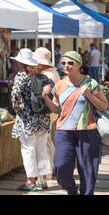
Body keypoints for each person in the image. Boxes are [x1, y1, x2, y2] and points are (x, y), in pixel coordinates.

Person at [42, 51, 108, 195]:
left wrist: (89, 95)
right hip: (63, 132)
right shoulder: (59, 85)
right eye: (64, 63)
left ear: (78, 65)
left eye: (70, 63)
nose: (66, 65)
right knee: (60, 167)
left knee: (88, 171)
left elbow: (104, 106)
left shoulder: (91, 83)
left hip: (87, 131)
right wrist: (45, 97)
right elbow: (56, 110)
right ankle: (72, 191)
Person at [10, 48, 52, 191]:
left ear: (22, 63)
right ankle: (43, 180)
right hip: (43, 118)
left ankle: (31, 181)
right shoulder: (40, 74)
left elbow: (15, 94)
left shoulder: (21, 76)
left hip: (28, 119)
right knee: (42, 148)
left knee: (28, 149)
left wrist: (17, 108)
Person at [33, 47, 60, 182]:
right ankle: (51, 169)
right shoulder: (52, 72)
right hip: (52, 109)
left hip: (49, 109)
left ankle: (51, 169)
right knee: (47, 139)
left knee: (46, 140)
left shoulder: (48, 75)